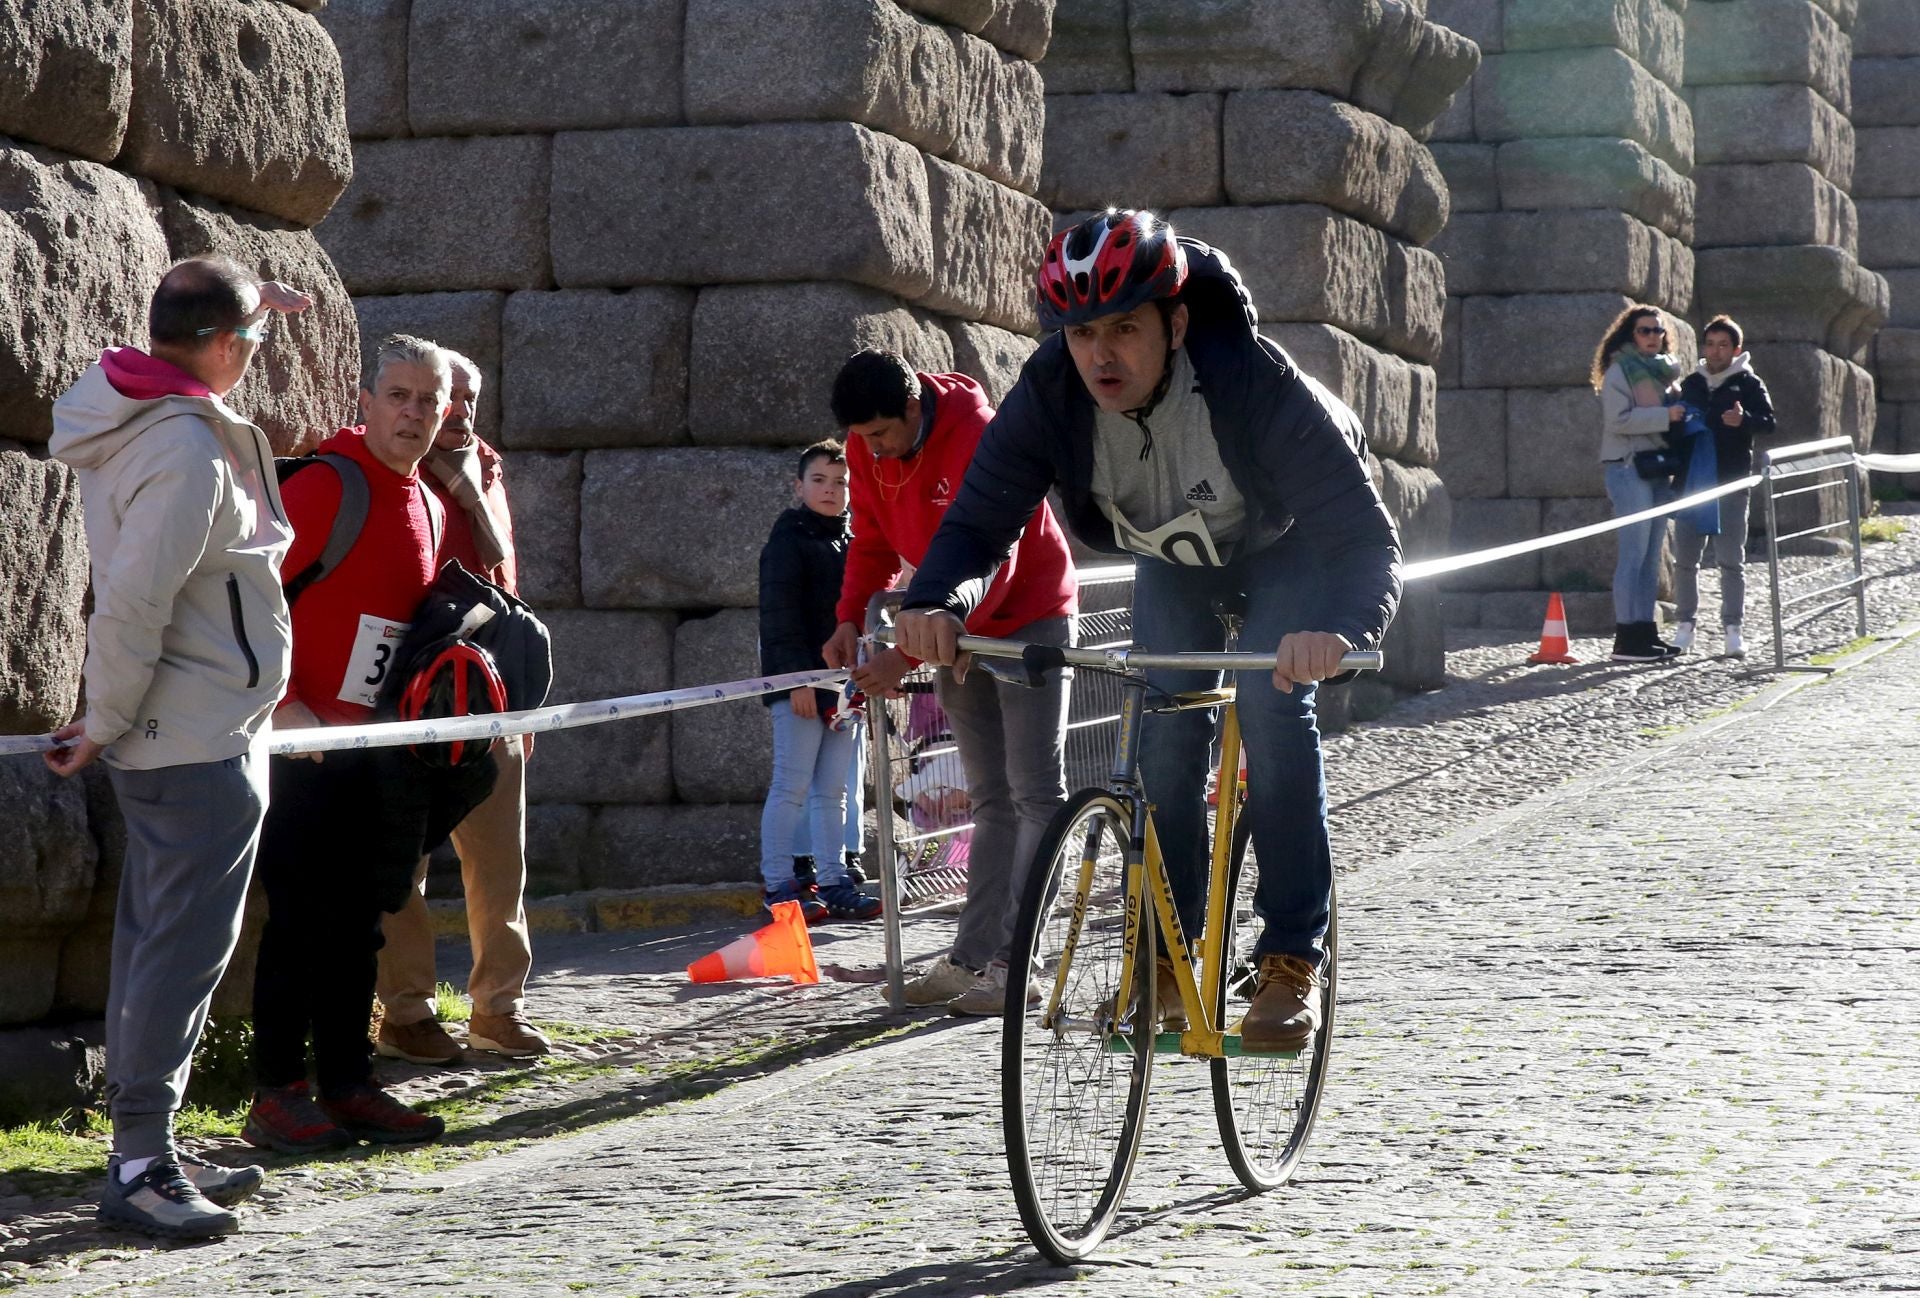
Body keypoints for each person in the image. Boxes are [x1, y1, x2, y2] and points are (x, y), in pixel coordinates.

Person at [895, 209, 1402, 1053]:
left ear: (1174, 322)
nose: (1101, 355)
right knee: (1161, 741)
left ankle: (1287, 958)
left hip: (1291, 544)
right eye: (1083, 332)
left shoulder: (1250, 382)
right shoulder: (1053, 393)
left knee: (1271, 706)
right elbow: (981, 521)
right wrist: (939, 599)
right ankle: (1168, 956)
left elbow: (1365, 539)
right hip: (1176, 558)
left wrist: (1343, 632)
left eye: (1125, 330)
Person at [46, 256, 312, 1238]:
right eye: (251, 342)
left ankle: (146, 1144)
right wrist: (106, 718)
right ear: (227, 346)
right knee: (177, 953)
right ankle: (141, 1161)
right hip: (190, 738)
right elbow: (134, 603)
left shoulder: (139, 402)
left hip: (196, 727)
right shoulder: (186, 451)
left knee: (163, 947)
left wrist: (252, 306)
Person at [242, 335, 494, 1153]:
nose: (416, 414)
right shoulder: (327, 485)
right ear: (366, 401)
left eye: (431, 402)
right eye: (400, 396)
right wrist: (281, 704)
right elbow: (244, 598)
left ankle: (348, 1081)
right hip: (300, 748)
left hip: (378, 752)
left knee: (360, 925)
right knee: (299, 923)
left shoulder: (426, 500)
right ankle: (276, 1090)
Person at [822, 350, 1078, 1017]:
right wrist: (849, 616)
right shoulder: (866, 447)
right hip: (946, 630)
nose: (872, 452)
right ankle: (973, 957)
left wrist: (905, 659)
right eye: (862, 441)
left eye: (881, 436)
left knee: (1035, 795)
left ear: (912, 408)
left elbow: (998, 555)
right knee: (988, 799)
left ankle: (1018, 962)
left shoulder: (979, 432)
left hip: (1027, 619)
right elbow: (873, 540)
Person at [374, 350, 551, 1065]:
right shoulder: (398, 471)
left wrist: (525, 704)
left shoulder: (487, 468)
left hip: (494, 694)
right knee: (405, 865)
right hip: (414, 692)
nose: (458, 413)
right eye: (449, 398)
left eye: (469, 399)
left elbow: (507, 581)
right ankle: (407, 1011)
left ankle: (497, 1006)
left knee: (500, 860)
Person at [757, 440, 881, 922]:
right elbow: (779, 617)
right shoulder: (786, 541)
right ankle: (777, 884)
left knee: (834, 790)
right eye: (819, 480)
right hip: (802, 685)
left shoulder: (854, 541)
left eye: (841, 482)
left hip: (844, 686)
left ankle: (832, 879)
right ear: (798, 486)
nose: (831, 490)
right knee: (790, 785)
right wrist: (796, 682)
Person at [1673, 315, 1774, 659]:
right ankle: (1685, 626)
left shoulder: (1748, 383)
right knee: (1686, 559)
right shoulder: (1692, 383)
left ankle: (1733, 629)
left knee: (1731, 559)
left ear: (1736, 349)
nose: (1715, 351)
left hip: (1731, 482)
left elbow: (1769, 422)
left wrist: (1743, 420)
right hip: (1693, 483)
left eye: (1723, 345)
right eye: (1710, 344)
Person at [1594, 304, 1689, 663]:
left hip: (1657, 468)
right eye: (1644, 330)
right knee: (1632, 555)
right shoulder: (1620, 371)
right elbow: (1618, 420)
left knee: (1652, 557)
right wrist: (1666, 415)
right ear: (1630, 335)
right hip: (1628, 466)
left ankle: (1645, 632)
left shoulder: (1666, 374)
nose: (1652, 336)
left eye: (1657, 330)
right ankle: (1626, 636)